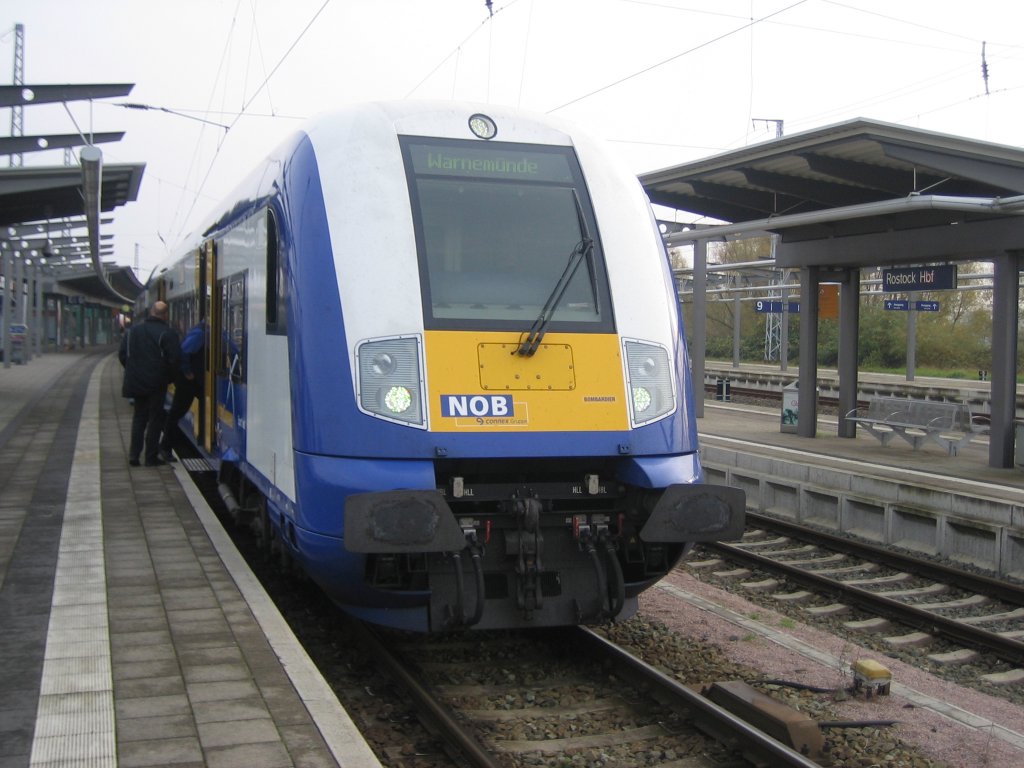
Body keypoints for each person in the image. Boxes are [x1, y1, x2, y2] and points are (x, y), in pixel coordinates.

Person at [119, 301, 180, 467]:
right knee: (155, 419)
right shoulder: (168, 333)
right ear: (166, 315)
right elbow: (174, 360)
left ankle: (133, 455)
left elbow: (123, 355)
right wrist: (168, 378)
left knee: (139, 418)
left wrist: (134, 371)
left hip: (137, 382)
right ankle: (150, 457)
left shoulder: (132, 332)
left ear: (151, 312)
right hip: (156, 383)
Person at [159, 319, 206, 462]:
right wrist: (187, 372)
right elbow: (184, 352)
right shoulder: (199, 334)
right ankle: (165, 448)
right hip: (187, 382)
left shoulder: (204, 332)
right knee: (176, 413)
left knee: (179, 412)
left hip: (195, 381)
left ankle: (203, 435)